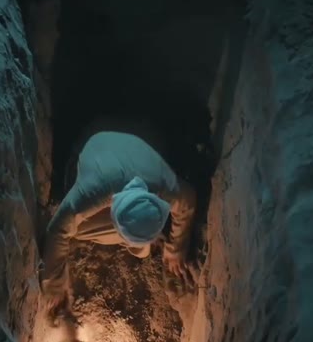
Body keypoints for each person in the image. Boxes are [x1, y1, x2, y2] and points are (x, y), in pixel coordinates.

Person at [39, 130, 197, 317]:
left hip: (139, 141)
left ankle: (147, 239)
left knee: (141, 245)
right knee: (76, 228)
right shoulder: (94, 190)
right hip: (92, 149)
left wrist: (176, 249)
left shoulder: (158, 183)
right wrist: (55, 286)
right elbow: (58, 228)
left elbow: (187, 199)